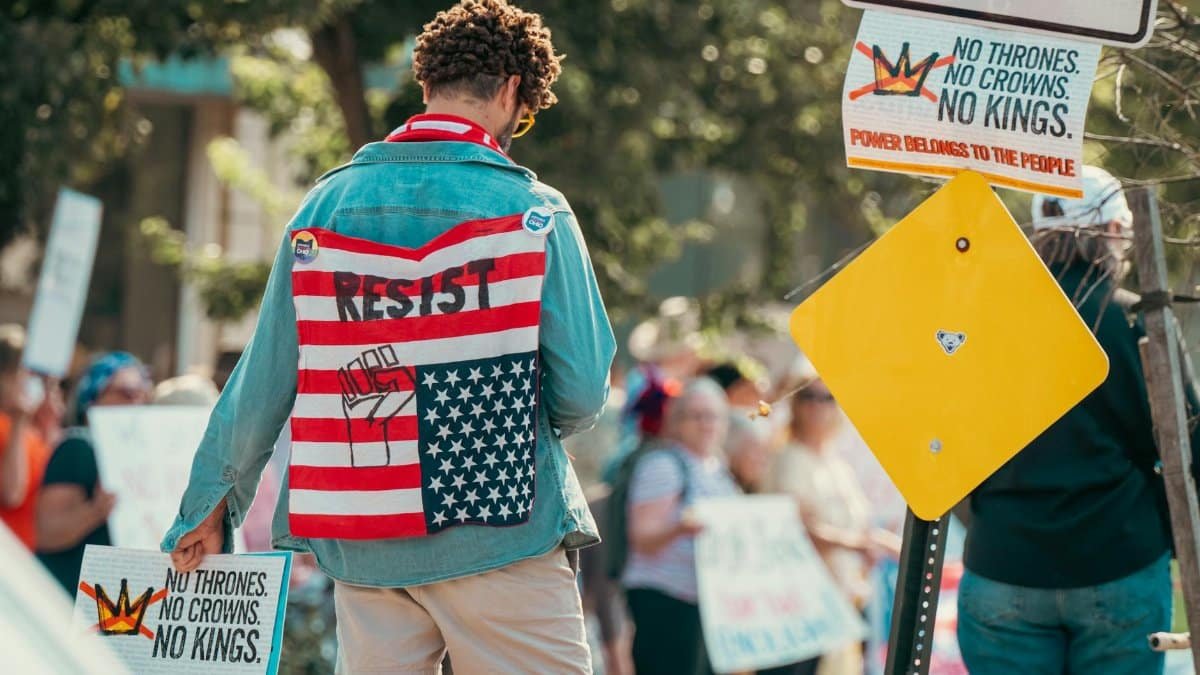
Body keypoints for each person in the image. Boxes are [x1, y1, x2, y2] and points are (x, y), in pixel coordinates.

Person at [162, 2, 616, 672]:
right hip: (503, 530)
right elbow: (580, 391)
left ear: (425, 82)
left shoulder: (324, 206)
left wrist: (210, 504)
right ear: (514, 92)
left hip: (362, 535)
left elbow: (262, 382)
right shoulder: (536, 212)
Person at [958, 166, 1200, 675]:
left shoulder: (981, 322)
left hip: (1002, 562)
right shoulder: (1139, 320)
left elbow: (945, 439)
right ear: (1113, 230)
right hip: (1120, 562)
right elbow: (1190, 446)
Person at [767, 369, 900, 675]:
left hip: (842, 600)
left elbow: (862, 528)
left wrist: (897, 549)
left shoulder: (836, 464)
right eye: (808, 396)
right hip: (799, 604)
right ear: (795, 404)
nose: (817, 406)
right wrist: (860, 545)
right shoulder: (789, 458)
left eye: (828, 398)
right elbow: (798, 528)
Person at [622, 378, 739, 675]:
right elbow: (642, 537)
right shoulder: (663, 465)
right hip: (667, 602)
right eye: (696, 415)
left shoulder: (717, 468)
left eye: (713, 416)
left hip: (706, 605)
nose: (706, 424)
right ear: (677, 421)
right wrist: (681, 528)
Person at [36, 351, 151, 592]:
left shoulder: (137, 456)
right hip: (69, 603)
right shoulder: (78, 446)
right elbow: (46, 533)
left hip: (114, 606)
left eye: (142, 394)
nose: (136, 402)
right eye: (126, 393)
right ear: (93, 398)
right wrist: (96, 511)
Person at [0, 325, 63, 551]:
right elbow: (12, 493)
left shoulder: (30, 431)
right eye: (22, 372)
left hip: (30, 561)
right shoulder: (12, 427)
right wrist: (19, 422)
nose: (29, 380)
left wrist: (49, 423)